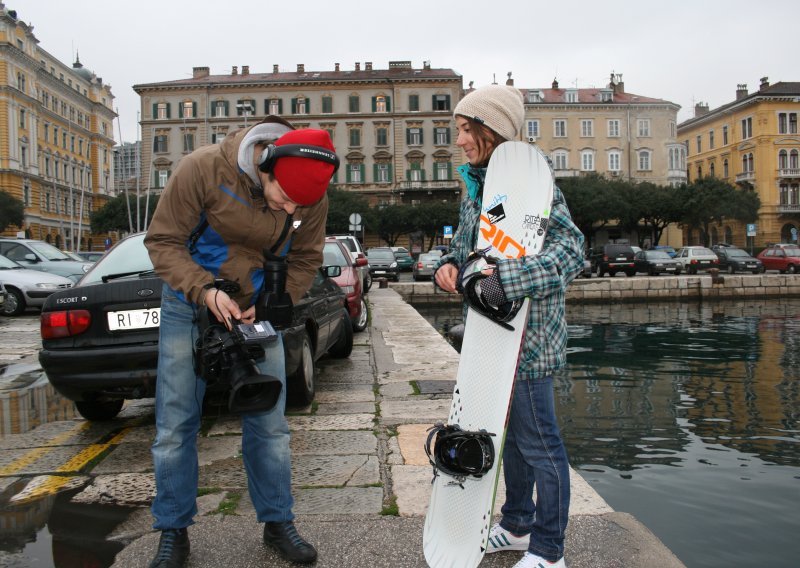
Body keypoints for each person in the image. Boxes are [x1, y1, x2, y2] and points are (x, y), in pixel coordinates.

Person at [144, 116, 338, 567]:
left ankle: (278, 522)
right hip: (189, 300)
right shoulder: (202, 169)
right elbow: (164, 241)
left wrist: (276, 301)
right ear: (265, 166)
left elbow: (306, 257)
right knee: (175, 423)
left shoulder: (309, 194)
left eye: (299, 206)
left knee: (269, 421)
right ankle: (173, 530)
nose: (291, 211)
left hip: (255, 308)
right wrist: (204, 290)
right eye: (285, 198)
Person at [434, 85, 585, 568]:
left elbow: (572, 251)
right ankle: (517, 524)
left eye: (464, 129)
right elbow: (465, 250)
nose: (459, 140)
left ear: (490, 128)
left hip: (531, 341)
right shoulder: (476, 188)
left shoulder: (537, 188)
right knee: (510, 442)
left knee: (541, 445)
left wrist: (510, 279)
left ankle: (549, 551)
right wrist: (447, 268)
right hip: (491, 341)